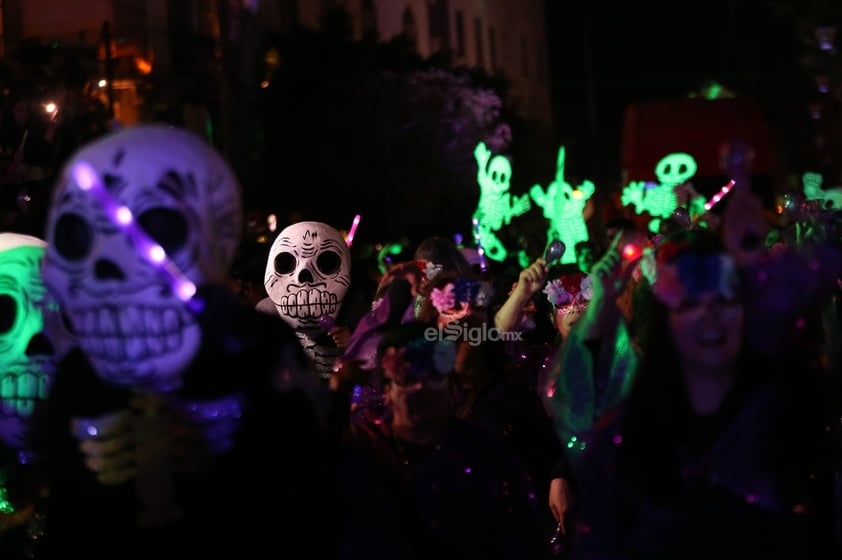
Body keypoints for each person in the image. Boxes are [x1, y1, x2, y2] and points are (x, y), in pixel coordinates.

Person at [33, 124, 336, 559]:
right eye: (78, 237)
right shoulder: (79, 377)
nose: (109, 269)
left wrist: (233, 452)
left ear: (217, 239)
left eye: (157, 231)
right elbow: (66, 514)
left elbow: (307, 495)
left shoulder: (255, 351)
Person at [570, 228, 842, 559]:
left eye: (723, 300)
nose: (708, 316)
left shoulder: (781, 410)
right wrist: (601, 307)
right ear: (665, 318)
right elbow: (574, 409)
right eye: (690, 302)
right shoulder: (636, 429)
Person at [335, 321, 553, 560]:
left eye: (433, 376)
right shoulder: (364, 451)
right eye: (409, 379)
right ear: (387, 392)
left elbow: (522, 539)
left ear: (449, 383)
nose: (423, 388)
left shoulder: (484, 451)